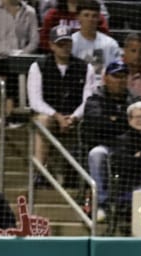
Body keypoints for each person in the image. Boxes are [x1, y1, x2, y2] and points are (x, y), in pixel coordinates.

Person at [28, 24, 96, 186]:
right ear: (51, 45)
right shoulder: (39, 66)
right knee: (43, 120)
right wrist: (57, 116)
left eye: (68, 43)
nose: (65, 48)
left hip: (76, 118)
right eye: (60, 44)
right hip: (50, 117)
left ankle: (80, 180)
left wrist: (73, 117)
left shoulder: (85, 68)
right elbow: (35, 101)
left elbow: (88, 99)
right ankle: (39, 173)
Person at [81, 60, 141, 222]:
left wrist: (112, 121)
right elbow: (96, 126)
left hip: (128, 148)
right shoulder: (95, 99)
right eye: (115, 76)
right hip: (104, 146)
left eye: (123, 77)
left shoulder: (135, 100)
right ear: (106, 78)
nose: (120, 80)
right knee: (96, 154)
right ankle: (101, 203)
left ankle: (131, 204)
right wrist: (122, 122)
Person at [70, 0, 121, 85]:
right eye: (86, 15)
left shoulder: (110, 44)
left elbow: (116, 71)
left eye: (94, 16)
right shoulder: (70, 42)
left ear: (98, 18)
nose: (90, 19)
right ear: (78, 17)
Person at [39, 0, 109, 52]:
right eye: (86, 15)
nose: (90, 18)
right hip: (59, 56)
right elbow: (44, 41)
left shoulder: (93, 16)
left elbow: (104, 37)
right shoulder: (53, 15)